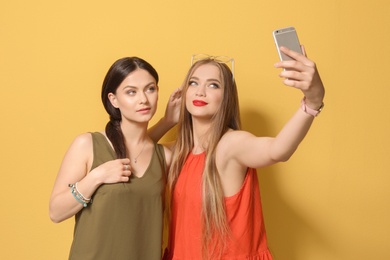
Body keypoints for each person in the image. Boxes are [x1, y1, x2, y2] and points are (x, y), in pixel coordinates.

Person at [152, 46, 325, 259]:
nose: (200, 91)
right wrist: (166, 122)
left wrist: (312, 102)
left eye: (213, 85)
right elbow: (134, 152)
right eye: (193, 83)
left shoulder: (230, 144)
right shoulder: (177, 152)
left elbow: (278, 150)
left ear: (226, 97)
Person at [49, 57, 175, 260]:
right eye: (131, 92)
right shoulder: (87, 145)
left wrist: (167, 122)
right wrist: (96, 177)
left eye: (150, 89)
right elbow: (56, 212)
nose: (143, 99)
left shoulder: (165, 157)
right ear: (113, 99)